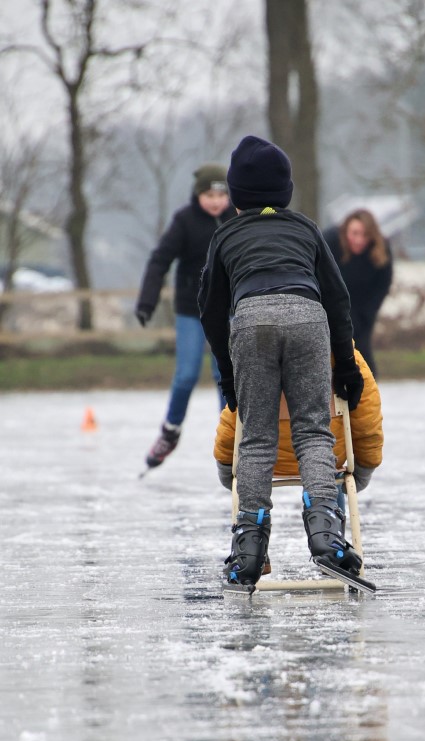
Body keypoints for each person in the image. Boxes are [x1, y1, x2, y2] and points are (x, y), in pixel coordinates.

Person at [198, 134, 367, 591]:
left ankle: (249, 551)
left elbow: (211, 310)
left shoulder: (226, 234)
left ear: (237, 196)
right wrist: (347, 367)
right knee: (313, 431)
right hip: (308, 314)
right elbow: (337, 297)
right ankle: (327, 535)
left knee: (255, 439)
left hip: (251, 319)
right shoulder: (305, 229)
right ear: (285, 191)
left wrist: (227, 375)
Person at [213, 347, 383, 573]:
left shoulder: (257, 354)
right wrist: (364, 467)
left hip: (265, 461)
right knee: (327, 473)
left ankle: (253, 550)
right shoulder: (346, 356)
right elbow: (367, 417)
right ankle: (330, 539)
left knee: (254, 463)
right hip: (327, 457)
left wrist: (227, 466)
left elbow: (233, 418)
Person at [135, 163, 236, 470]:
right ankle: (170, 431)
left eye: (221, 193)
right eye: (209, 194)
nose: (216, 200)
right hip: (192, 311)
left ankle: (230, 437)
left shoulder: (236, 219)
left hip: (228, 310)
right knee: (187, 374)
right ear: (198, 195)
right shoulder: (185, 221)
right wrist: (147, 301)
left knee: (225, 375)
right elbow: (159, 260)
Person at [323, 209, 393, 378]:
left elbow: (382, 286)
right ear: (345, 230)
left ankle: (367, 397)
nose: (360, 240)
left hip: (361, 311)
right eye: (355, 233)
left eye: (365, 235)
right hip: (329, 308)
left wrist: (366, 316)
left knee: (363, 357)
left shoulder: (381, 249)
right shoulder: (330, 241)